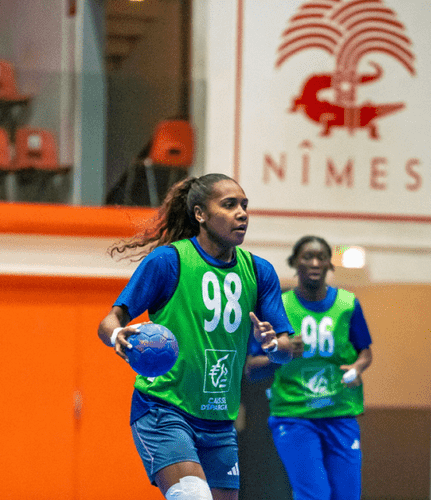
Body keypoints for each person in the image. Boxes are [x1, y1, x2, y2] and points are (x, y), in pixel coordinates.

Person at [97, 173, 297, 500]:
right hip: (164, 410)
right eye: (229, 205)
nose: (242, 213)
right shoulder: (169, 261)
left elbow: (286, 350)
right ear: (200, 214)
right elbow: (109, 321)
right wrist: (117, 333)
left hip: (219, 422)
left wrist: (274, 344)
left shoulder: (259, 271)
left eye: (244, 206)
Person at [245, 235, 374, 500]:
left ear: (330, 265)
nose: (315, 263)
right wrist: (282, 352)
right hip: (294, 415)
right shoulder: (279, 306)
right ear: (294, 263)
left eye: (321, 257)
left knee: (347, 495)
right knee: (314, 494)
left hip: (340, 411)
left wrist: (357, 369)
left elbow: (365, 352)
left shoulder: (348, 304)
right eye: (307, 257)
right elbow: (250, 367)